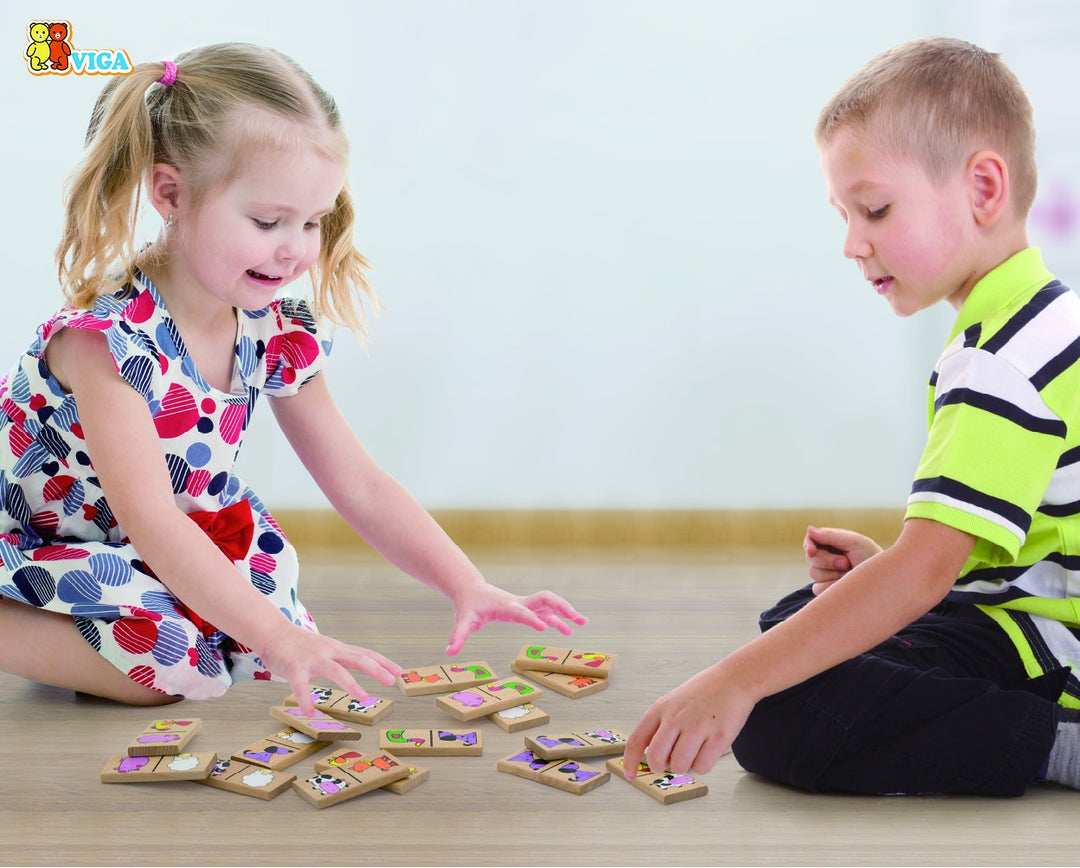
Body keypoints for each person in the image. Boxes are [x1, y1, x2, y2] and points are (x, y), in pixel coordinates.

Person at [0, 43, 586, 716]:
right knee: (170, 668)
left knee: (247, 653)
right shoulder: (107, 341)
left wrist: (466, 583)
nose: (296, 248)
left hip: (162, 540)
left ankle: (99, 634)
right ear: (170, 194)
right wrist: (277, 638)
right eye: (267, 221)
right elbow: (151, 517)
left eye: (313, 221)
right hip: (58, 544)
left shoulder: (272, 330)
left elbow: (358, 483)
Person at [624, 35, 1080, 796]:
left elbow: (927, 568)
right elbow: (999, 549)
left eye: (874, 209)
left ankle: (1051, 744)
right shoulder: (1039, 319)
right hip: (1021, 617)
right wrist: (883, 575)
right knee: (801, 619)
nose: (851, 243)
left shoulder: (1001, 359)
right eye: (844, 215)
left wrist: (730, 683)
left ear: (983, 188)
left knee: (779, 713)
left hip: (1054, 655)